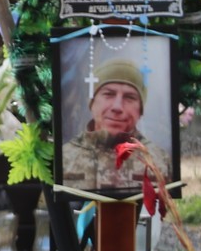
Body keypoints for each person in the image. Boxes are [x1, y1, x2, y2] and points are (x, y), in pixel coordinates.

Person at [61, 59, 150, 192]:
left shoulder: (157, 160)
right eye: (108, 94)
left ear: (141, 109)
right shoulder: (66, 157)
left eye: (129, 97)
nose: (117, 107)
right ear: (92, 103)